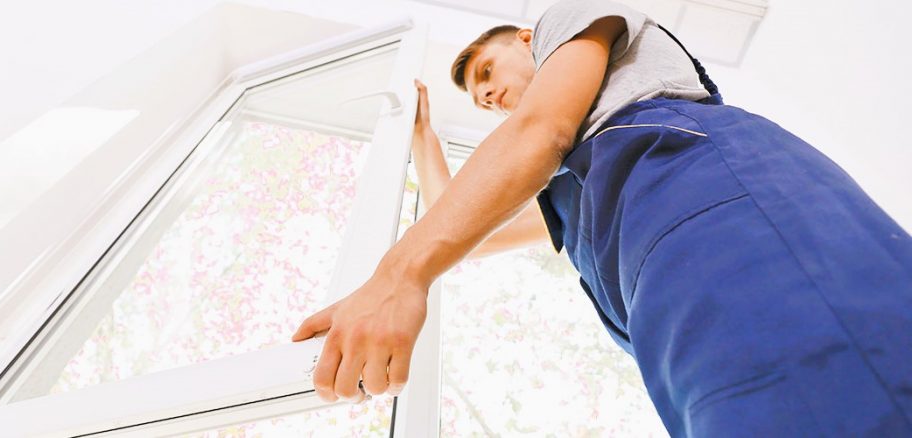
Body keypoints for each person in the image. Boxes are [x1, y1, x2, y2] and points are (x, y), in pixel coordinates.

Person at [292, 0, 912, 435]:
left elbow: (540, 129)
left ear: (531, 40)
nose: (486, 98)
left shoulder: (568, 20)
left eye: (487, 73)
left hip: (707, 198)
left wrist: (400, 276)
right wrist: (423, 136)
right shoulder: (581, 188)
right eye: (480, 101)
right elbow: (479, 234)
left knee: (829, 394)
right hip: (655, 294)